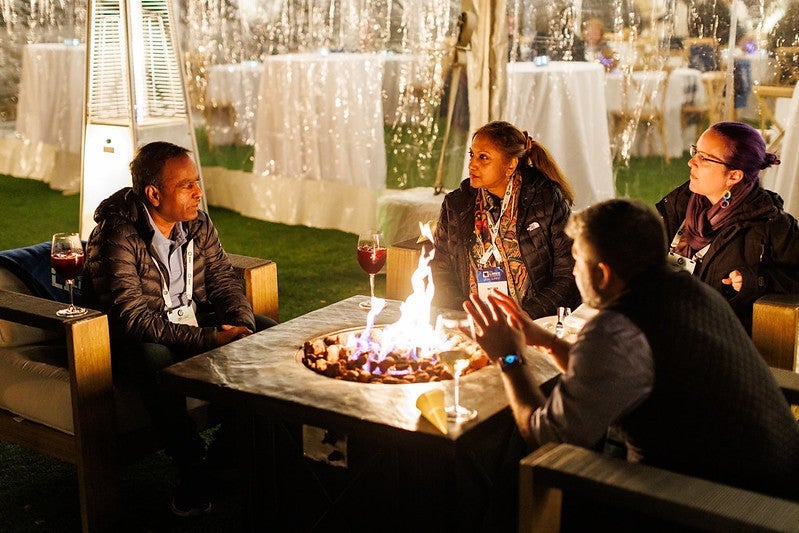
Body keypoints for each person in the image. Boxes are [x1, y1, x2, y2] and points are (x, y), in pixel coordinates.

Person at [464, 198, 799, 500]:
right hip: (775, 475)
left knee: (511, 491)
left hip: (719, 505)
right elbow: (619, 372)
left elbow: (549, 439)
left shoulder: (618, 328)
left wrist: (509, 357)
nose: (575, 271)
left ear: (602, 274)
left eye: (577, 261)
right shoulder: (685, 288)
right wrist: (548, 341)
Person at [85, 141, 275, 517]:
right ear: (154, 194)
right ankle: (192, 469)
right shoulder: (117, 235)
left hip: (189, 321)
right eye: (186, 185)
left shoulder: (197, 222)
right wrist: (212, 339)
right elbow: (133, 319)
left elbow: (222, 279)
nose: (198, 192)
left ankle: (220, 461)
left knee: (269, 333)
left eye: (197, 182)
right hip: (133, 338)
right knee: (154, 357)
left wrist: (241, 323)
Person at [656, 122, 799, 333]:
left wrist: (756, 283)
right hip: (667, 326)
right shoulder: (680, 203)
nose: (691, 162)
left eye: (704, 158)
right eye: (696, 151)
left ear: (734, 176)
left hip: (718, 343)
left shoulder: (771, 226)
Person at [431, 121, 579, 320]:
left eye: (483, 157)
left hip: (535, 322)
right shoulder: (457, 205)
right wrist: (466, 314)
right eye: (472, 154)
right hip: (473, 321)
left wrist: (525, 315)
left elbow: (569, 274)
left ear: (510, 165)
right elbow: (440, 270)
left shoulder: (546, 199)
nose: (472, 164)